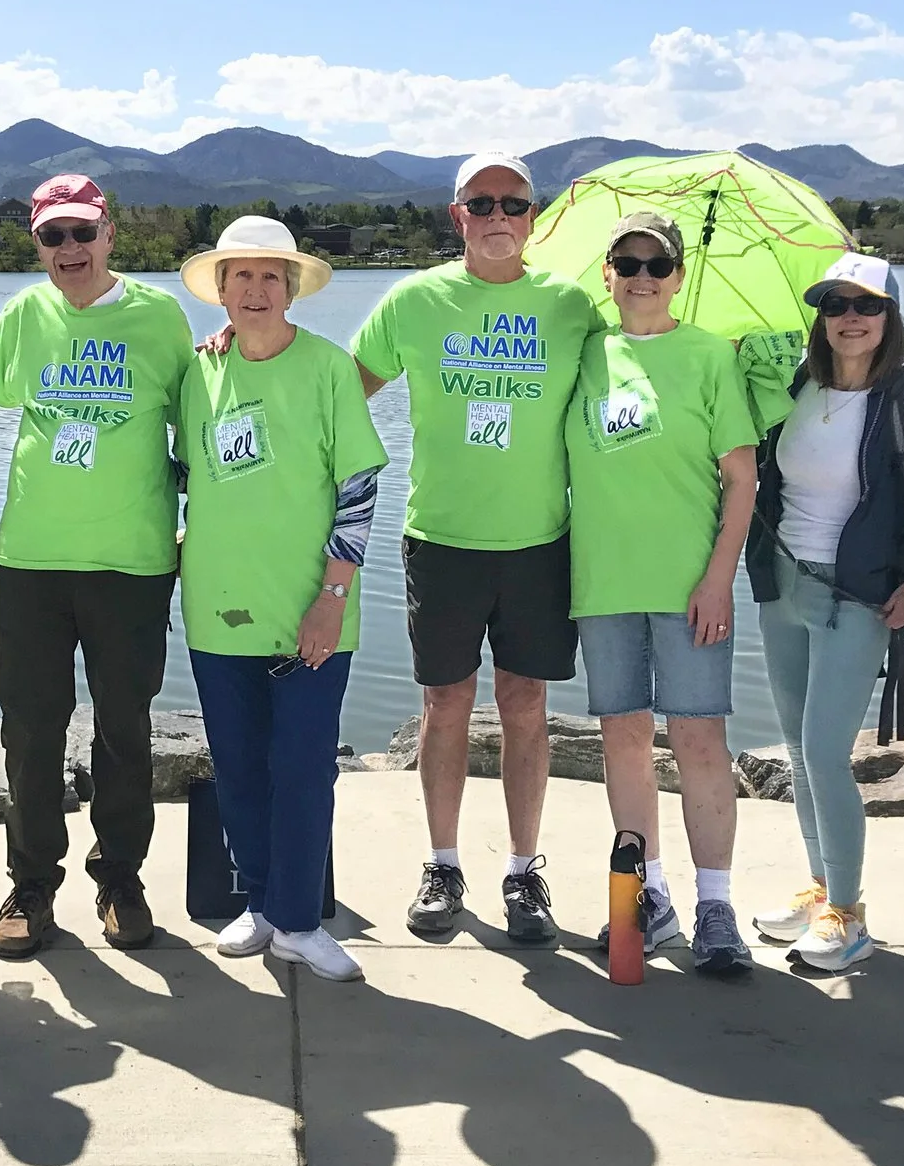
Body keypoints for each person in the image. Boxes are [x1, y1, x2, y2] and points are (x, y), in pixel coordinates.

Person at [350, 153, 600, 944]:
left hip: (540, 542)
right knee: (446, 702)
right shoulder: (415, 300)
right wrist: (245, 341)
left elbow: (635, 374)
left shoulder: (571, 305)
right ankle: (443, 864)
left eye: (513, 204)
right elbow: (340, 390)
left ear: (534, 217)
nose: (498, 216)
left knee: (526, 704)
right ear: (457, 214)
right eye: (481, 203)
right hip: (442, 539)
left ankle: (524, 872)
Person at [0, 174, 195, 959]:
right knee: (30, 730)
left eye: (82, 232)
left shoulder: (158, 316)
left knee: (124, 728)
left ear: (109, 234)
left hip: (132, 563)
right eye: (52, 236)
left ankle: (119, 878)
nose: (69, 248)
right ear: (38, 244)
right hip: (30, 563)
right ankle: (31, 884)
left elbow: (201, 423)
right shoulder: (27, 315)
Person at [176, 217, 389, 982]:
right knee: (238, 768)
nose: (257, 289)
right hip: (217, 610)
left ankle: (299, 922)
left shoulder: (329, 369)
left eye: (272, 275)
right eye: (242, 275)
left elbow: (358, 488)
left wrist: (332, 595)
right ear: (221, 291)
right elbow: (183, 474)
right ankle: (262, 904)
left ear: (292, 289)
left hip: (313, 612)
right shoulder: (197, 373)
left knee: (303, 769)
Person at [744, 251, 904, 972]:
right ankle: (821, 887)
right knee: (797, 747)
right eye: (835, 304)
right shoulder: (795, 387)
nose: (850, 318)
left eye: (867, 305)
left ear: (890, 316)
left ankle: (848, 913)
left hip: (857, 596)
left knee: (826, 753)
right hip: (782, 586)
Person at [563, 213, 759, 976]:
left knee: (700, 739)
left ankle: (716, 907)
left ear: (678, 276)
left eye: (657, 263)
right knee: (624, 738)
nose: (642, 276)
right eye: (628, 262)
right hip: (603, 585)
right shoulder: (583, 353)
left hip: (690, 589)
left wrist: (719, 578)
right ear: (607, 274)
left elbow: (741, 479)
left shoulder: (710, 355)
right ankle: (648, 897)